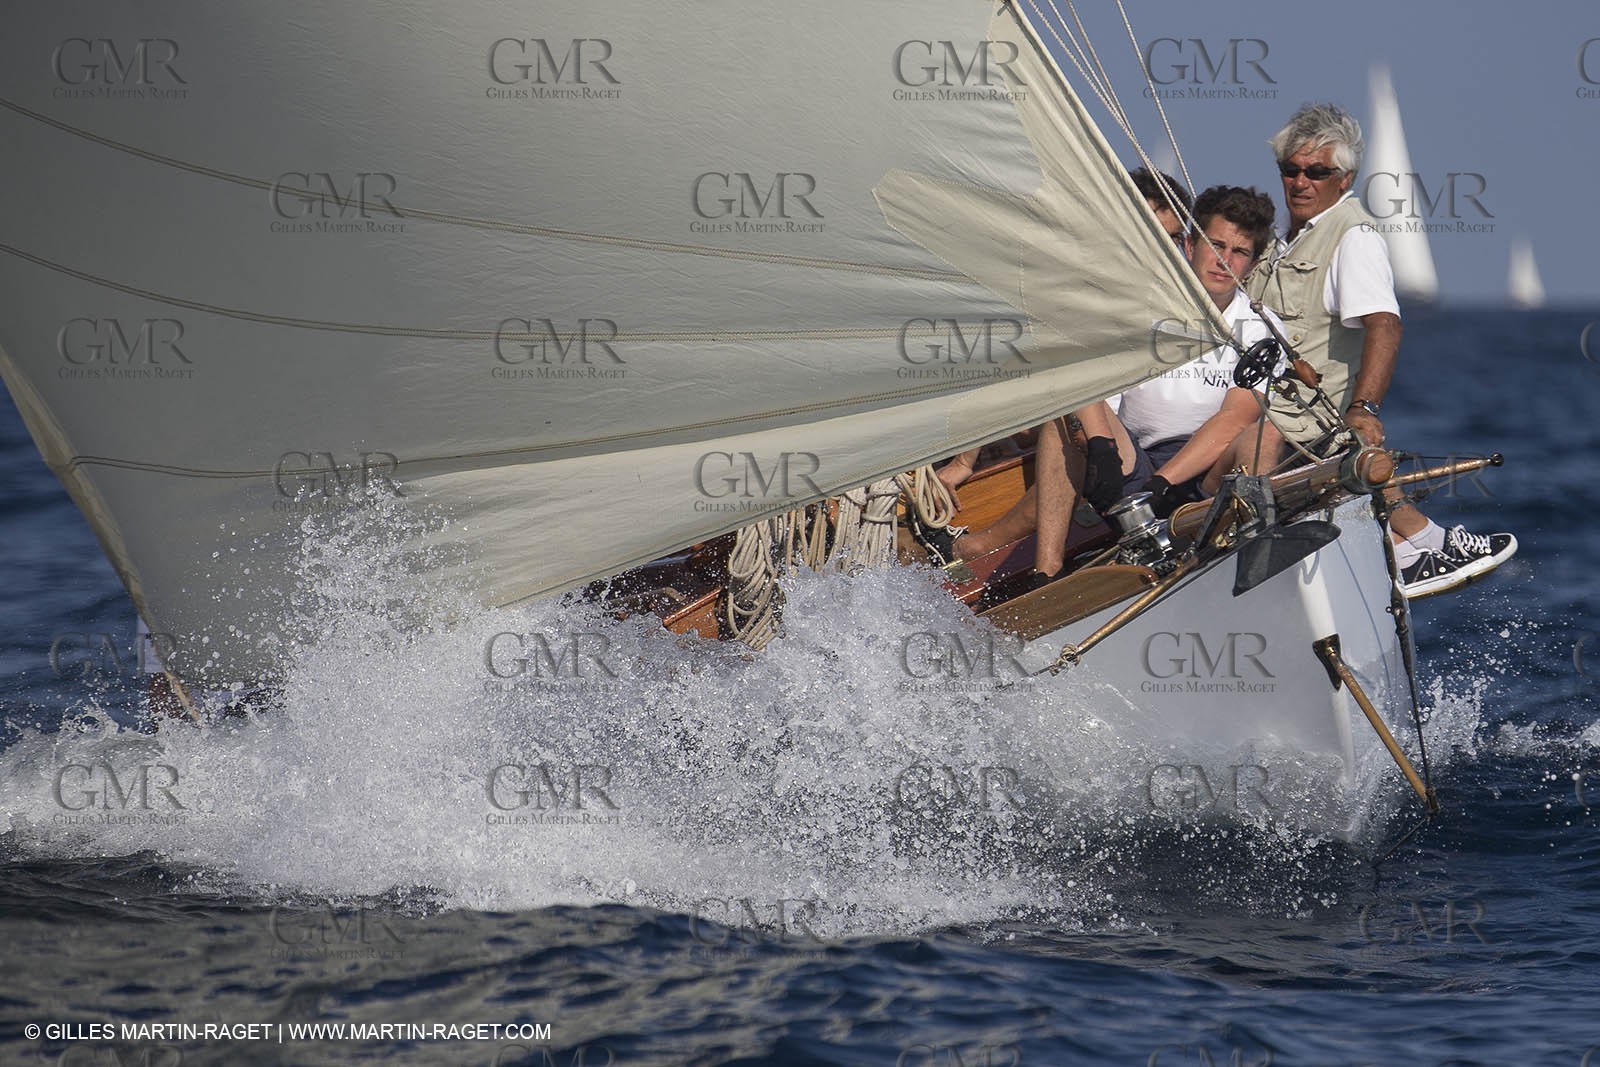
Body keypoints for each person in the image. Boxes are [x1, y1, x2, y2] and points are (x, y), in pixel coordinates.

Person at [1208, 103, 1514, 597]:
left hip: (1304, 426)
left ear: (1345, 177)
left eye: (1317, 172)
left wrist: (1365, 407)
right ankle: (1421, 542)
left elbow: (1385, 325)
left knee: (1349, 455)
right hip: (1264, 412)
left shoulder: (1353, 236)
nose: (1301, 182)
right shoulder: (1281, 240)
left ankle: (1419, 542)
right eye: (1291, 170)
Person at [919, 179, 1284, 577]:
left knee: (1266, 435)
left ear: (1252, 263)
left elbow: (1234, 419)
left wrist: (1162, 483)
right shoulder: (1136, 306)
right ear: (1190, 245)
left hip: (1203, 475)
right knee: (1065, 413)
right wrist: (1102, 448)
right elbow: (1078, 377)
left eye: (1239, 252)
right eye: (1216, 246)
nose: (1224, 260)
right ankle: (1048, 571)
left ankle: (1248, 552)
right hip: (1134, 460)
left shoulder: (1258, 327)